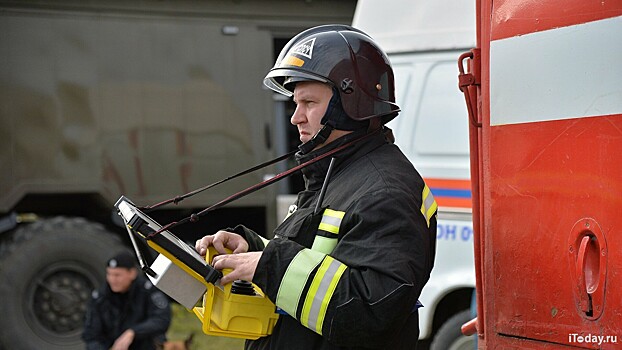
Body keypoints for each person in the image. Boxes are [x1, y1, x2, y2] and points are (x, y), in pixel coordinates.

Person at [195, 24, 437, 350]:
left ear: (351, 105)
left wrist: (270, 265)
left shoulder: (384, 192)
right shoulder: (338, 172)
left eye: (308, 102)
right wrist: (254, 249)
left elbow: (370, 313)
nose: (296, 117)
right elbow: (320, 258)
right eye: (295, 103)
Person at [82, 250, 171, 350]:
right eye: (109, 274)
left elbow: (161, 320)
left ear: (132, 273)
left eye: (117, 275)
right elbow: (91, 334)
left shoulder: (148, 291)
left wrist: (133, 332)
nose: (112, 280)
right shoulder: (100, 297)